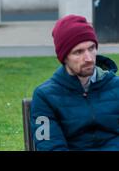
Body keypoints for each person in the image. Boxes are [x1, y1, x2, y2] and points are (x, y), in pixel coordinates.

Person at [31, 15, 119, 151]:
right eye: (78, 52)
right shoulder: (45, 96)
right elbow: (50, 147)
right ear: (64, 57)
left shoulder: (115, 86)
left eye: (91, 48)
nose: (88, 58)